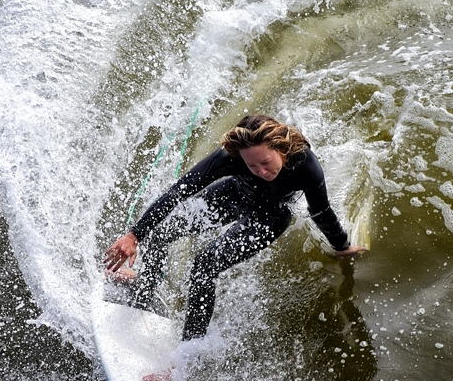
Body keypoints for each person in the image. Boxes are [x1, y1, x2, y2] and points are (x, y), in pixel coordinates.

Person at [103, 114, 367, 344]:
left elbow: (321, 211)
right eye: (251, 166)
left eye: (266, 162)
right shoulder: (228, 158)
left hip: (269, 218)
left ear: (280, 149)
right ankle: (146, 286)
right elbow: (179, 191)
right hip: (233, 195)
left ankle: (187, 357)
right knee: (160, 233)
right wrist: (135, 234)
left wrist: (342, 247)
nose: (261, 171)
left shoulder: (305, 166)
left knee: (203, 266)